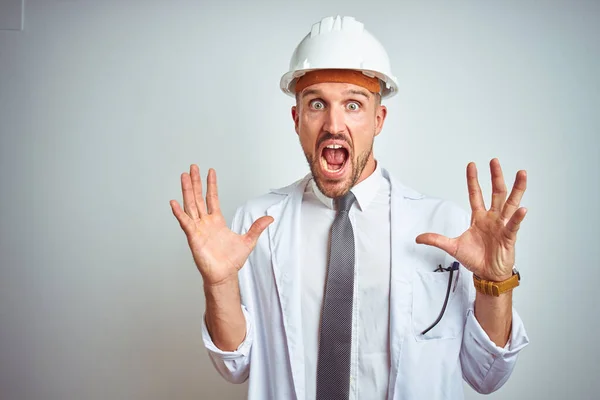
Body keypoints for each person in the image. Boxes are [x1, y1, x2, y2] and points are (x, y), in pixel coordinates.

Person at [170, 15, 529, 400]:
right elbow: (234, 366)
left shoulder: (446, 227)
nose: (333, 124)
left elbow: (486, 376)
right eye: (317, 104)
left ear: (379, 119)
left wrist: (495, 287)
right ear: (296, 119)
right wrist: (219, 284)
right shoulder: (256, 227)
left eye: (353, 105)